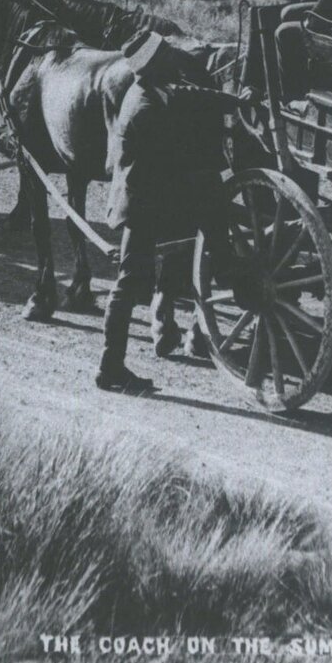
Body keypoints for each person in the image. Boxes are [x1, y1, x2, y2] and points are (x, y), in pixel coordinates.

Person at [96, 32, 239, 395]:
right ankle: (110, 369)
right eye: (166, 54)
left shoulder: (157, 87)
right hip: (143, 204)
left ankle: (112, 367)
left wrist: (233, 100)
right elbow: (171, 164)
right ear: (154, 65)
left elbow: (189, 95)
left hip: (153, 194)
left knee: (129, 282)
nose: (175, 58)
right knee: (128, 283)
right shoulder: (144, 109)